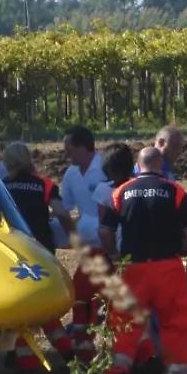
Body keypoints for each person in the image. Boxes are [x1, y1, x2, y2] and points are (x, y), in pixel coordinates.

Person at [99, 146, 187, 374]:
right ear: (160, 166)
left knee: (124, 320)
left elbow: (104, 231)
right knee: (175, 322)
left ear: (138, 167)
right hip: (167, 268)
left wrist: (115, 255)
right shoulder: (175, 191)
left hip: (132, 268)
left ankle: (118, 368)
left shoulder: (120, 192)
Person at [1, 142, 76, 367]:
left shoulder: (1, 186)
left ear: (7, 163)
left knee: (20, 306)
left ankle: (26, 361)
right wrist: (72, 234)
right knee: (46, 306)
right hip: (41, 250)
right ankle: (68, 354)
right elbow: (62, 213)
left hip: (13, 251)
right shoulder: (44, 185)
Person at [60, 125, 107, 342]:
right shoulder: (70, 174)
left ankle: (88, 332)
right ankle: (83, 336)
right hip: (88, 244)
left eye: (69, 149)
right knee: (82, 290)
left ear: (83, 147)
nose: (66, 155)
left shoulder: (105, 168)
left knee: (98, 290)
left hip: (108, 242)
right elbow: (65, 206)